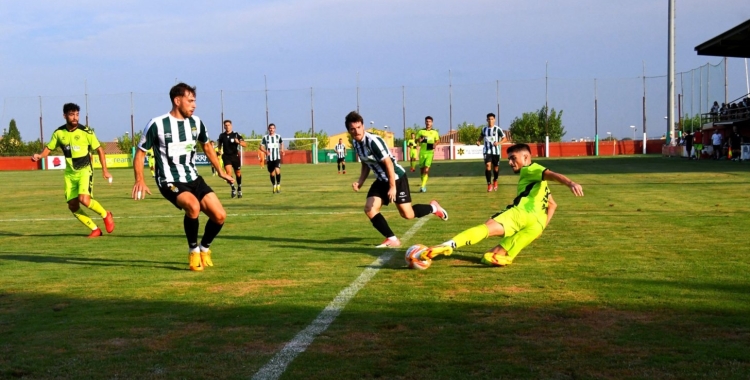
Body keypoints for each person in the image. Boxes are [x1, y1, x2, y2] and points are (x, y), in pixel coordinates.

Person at [420, 143, 584, 267]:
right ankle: (506, 258)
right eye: (509, 159)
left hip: (522, 214)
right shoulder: (541, 186)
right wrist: (541, 228)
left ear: (526, 158)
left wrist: (570, 183)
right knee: (488, 256)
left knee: (486, 228)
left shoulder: (531, 169)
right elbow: (553, 205)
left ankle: (447, 245)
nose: (511, 162)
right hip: (536, 226)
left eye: (514, 158)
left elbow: (551, 174)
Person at [131, 83, 234, 271]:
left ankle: (204, 248)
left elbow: (207, 146)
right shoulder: (157, 124)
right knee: (193, 206)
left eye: (195, 101)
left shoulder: (196, 123)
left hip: (193, 178)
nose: (194, 105)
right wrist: (140, 179)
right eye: (190, 101)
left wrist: (220, 171)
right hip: (169, 180)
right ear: (177, 101)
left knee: (220, 216)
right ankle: (193, 251)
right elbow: (140, 154)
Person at [345, 111, 449, 248]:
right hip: (381, 180)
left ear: (363, 126)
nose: (356, 131)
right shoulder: (356, 143)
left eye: (359, 127)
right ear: (349, 130)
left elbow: (388, 163)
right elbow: (366, 162)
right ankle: (392, 239)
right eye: (353, 129)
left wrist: (392, 186)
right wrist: (360, 182)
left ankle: (434, 208)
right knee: (369, 208)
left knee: (407, 214)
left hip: (396, 177)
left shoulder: (373, 142)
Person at [31, 103, 115, 238]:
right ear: (64, 116)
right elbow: (49, 147)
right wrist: (40, 156)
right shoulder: (59, 133)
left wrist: (105, 170)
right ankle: (95, 229)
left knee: (84, 199)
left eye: (77, 114)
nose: (75, 117)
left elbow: (99, 149)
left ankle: (106, 215)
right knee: (72, 205)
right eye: (71, 114)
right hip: (70, 174)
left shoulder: (86, 132)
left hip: (84, 170)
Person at [217, 120, 248, 198]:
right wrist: (219, 150)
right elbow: (219, 144)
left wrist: (238, 142)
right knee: (228, 173)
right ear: (224, 126)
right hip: (226, 157)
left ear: (231, 126)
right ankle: (233, 188)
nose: (227, 127)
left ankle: (239, 188)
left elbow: (245, 144)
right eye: (226, 125)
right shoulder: (222, 135)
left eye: (229, 125)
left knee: (238, 173)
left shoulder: (236, 134)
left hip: (235, 156)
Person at [477, 113, 506, 192]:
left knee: (496, 168)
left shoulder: (498, 129)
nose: (490, 120)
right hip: (487, 150)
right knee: (487, 165)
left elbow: (504, 138)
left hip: (495, 151)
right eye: (489, 119)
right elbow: (481, 136)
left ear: (494, 120)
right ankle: (489, 184)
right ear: (487, 120)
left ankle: (495, 180)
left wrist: (499, 143)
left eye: (492, 119)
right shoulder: (484, 129)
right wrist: (478, 141)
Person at [415, 116, 440, 192]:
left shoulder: (435, 132)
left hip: (429, 152)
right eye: (427, 121)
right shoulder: (421, 132)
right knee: (422, 171)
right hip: (422, 152)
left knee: (426, 170)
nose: (428, 123)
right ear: (425, 122)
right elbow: (416, 141)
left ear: (432, 123)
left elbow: (438, 140)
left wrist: (435, 144)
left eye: (429, 121)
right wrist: (419, 139)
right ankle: (424, 184)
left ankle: (422, 187)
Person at [260, 123, 285, 193]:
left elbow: (281, 143)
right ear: (268, 129)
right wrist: (265, 151)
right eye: (270, 128)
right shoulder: (265, 137)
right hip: (269, 158)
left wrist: (282, 150)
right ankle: (274, 185)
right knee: (272, 174)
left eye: (273, 128)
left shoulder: (278, 136)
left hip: (277, 157)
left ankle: (278, 184)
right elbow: (261, 147)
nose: (272, 129)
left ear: (275, 129)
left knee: (277, 170)